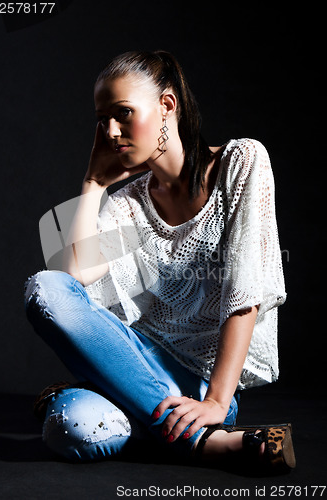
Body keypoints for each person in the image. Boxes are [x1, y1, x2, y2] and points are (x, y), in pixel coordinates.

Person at [24, 50, 295, 472]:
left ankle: (152, 414)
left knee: (72, 422)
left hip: (203, 384)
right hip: (137, 360)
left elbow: (245, 289)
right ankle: (203, 444)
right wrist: (93, 183)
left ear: (167, 106)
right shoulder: (127, 205)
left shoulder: (239, 164)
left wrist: (217, 401)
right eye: (102, 119)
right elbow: (71, 282)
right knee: (70, 418)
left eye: (123, 113)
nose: (111, 132)